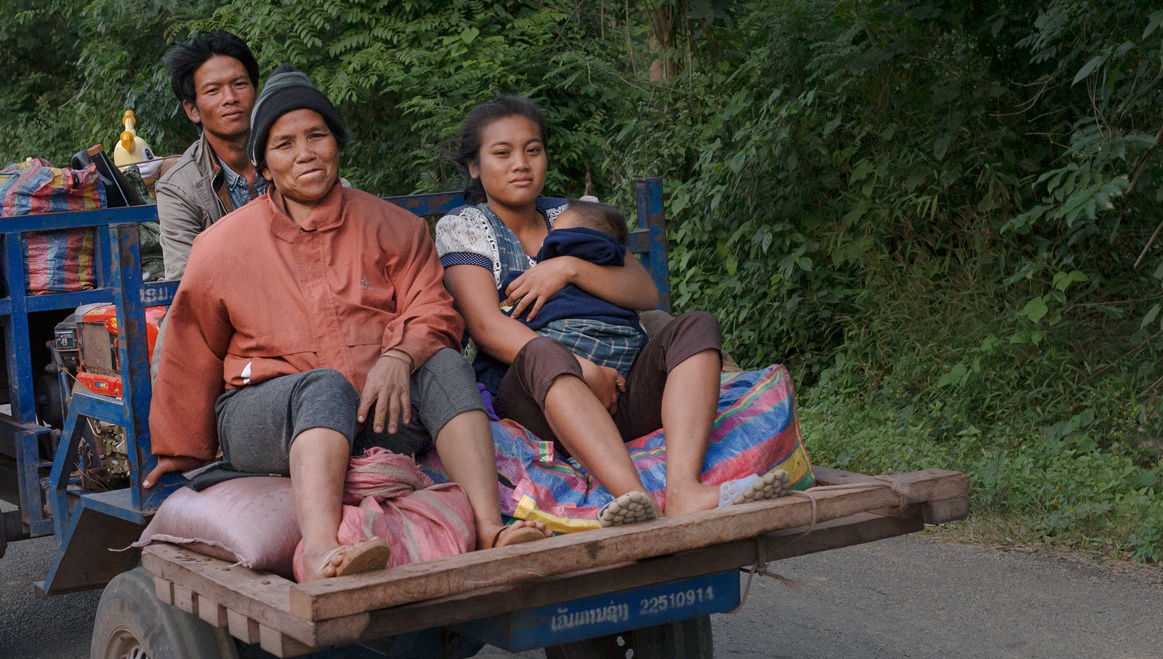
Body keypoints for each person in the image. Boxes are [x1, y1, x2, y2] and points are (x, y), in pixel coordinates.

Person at [143, 68, 548, 581]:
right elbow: (190, 348)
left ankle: (492, 528)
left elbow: (435, 310)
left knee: (444, 362)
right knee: (324, 387)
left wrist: (399, 356)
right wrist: (178, 453)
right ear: (264, 164)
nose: (305, 153)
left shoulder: (393, 226)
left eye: (317, 135)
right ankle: (320, 551)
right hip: (267, 417)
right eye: (285, 143)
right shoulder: (222, 246)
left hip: (382, 411)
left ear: (337, 143)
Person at [435, 95, 735, 522]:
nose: (520, 163)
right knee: (540, 351)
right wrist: (581, 368)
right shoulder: (465, 226)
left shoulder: (573, 214)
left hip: (621, 387)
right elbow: (486, 327)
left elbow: (643, 292)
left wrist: (569, 268)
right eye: (502, 153)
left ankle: (685, 489)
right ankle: (634, 498)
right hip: (534, 402)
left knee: (696, 325)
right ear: (474, 166)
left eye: (532, 150)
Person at [152, 31, 265, 281]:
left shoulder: (290, 156)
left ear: (256, 92)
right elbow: (187, 281)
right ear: (193, 109)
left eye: (239, 84)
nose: (230, 98)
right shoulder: (179, 188)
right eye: (213, 90)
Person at [514, 199, 648, 379]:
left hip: (559, 363)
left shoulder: (579, 212)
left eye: (552, 234)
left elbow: (649, 294)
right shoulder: (609, 265)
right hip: (621, 358)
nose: (545, 241)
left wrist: (569, 268)